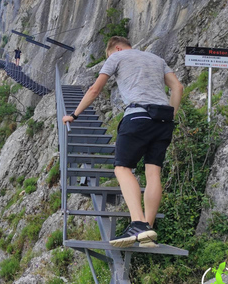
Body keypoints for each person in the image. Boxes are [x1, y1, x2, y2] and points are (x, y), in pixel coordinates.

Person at [62, 36, 183, 248]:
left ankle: (137, 223)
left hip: (137, 117)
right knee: (153, 172)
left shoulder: (117, 57)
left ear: (116, 48)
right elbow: (178, 88)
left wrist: (74, 114)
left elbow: (94, 90)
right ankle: (148, 229)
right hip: (163, 120)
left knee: (122, 168)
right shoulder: (157, 59)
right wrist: (171, 116)